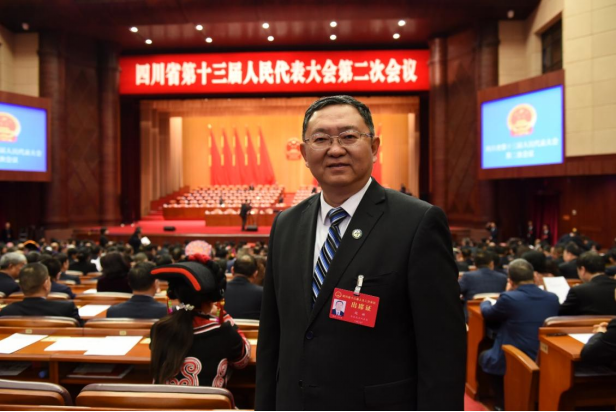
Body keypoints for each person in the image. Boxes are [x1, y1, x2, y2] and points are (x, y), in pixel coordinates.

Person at [256, 96, 466, 410]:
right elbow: (272, 336)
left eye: (349, 136)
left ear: (374, 147)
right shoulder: (286, 224)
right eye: (321, 139)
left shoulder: (417, 222)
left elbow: (442, 349)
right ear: (304, 153)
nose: (335, 149)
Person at [150, 254, 251, 387]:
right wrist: (223, 315)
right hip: (211, 401)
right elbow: (242, 361)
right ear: (212, 298)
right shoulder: (223, 332)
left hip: (161, 400)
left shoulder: (159, 328)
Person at [479, 259, 559, 410]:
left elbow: (488, 314)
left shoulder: (509, 298)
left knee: (485, 356)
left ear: (510, 280)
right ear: (534, 276)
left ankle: (502, 403)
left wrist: (486, 302)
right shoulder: (552, 298)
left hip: (516, 355)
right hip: (544, 354)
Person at [0, 263, 82, 324]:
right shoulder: (67, 309)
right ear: (46, 284)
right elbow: (80, 333)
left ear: (20, 285)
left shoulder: (6, 312)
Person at [459, 251, 507, 318]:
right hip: (496, 316)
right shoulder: (503, 277)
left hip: (472, 317)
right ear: (491, 263)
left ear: (475, 264)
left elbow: (456, 291)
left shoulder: (467, 276)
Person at [225, 255, 263, 320]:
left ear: (232, 270)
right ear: (255, 273)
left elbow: (216, 315)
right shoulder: (262, 293)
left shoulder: (220, 290)